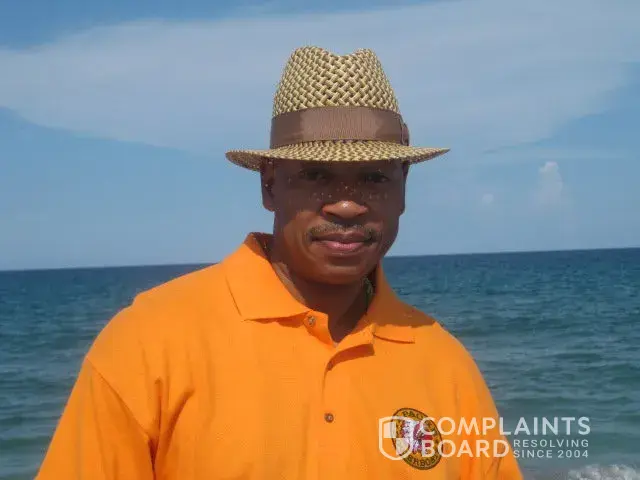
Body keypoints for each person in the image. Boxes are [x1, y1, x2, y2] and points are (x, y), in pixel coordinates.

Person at [36, 46, 523, 479]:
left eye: (374, 178)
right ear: (269, 184)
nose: (346, 205)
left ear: (403, 188)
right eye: (316, 175)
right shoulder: (149, 342)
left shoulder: (444, 363)